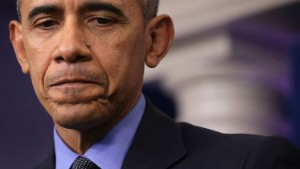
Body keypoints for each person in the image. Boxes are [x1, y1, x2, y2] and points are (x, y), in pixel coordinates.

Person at [9, 0, 300, 169]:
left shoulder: (250, 164)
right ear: (22, 49)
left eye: (100, 20)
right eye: (47, 23)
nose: (69, 48)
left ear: (155, 41)